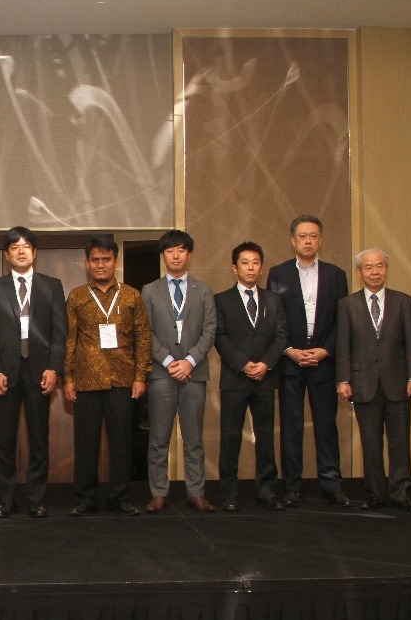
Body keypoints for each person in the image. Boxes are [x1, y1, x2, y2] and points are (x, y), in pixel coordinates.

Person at [0, 227, 67, 519]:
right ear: (7, 254)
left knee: (39, 439)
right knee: (5, 440)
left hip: (40, 372)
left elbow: (59, 332)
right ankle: (6, 500)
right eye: (14, 246)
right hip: (5, 374)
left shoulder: (52, 286)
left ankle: (36, 499)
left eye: (26, 245)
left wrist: (54, 368)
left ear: (34, 252)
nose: (20, 250)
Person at [63, 234, 151, 517]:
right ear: (87, 263)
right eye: (95, 260)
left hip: (122, 380)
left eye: (106, 259)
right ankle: (84, 500)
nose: (100, 265)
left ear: (116, 261)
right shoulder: (77, 296)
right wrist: (68, 378)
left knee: (121, 445)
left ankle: (120, 499)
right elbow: (70, 340)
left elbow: (143, 339)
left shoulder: (132, 295)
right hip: (86, 381)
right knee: (86, 445)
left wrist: (140, 376)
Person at [266, 215, 351, 508]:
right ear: (293, 241)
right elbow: (274, 319)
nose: (308, 241)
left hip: (323, 362)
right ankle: (292, 487)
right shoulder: (278, 273)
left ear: (321, 240)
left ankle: (332, 485)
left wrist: (326, 350)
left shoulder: (336, 275)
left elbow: (342, 320)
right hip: (290, 362)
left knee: (326, 426)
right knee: (291, 428)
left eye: (313, 236)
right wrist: (288, 349)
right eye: (302, 236)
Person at [336, 248, 411, 512]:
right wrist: (343, 380)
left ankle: (401, 493)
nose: (375, 272)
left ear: (386, 269)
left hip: (398, 382)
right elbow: (343, 346)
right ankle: (374, 493)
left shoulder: (403, 301)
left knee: (400, 442)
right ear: (359, 272)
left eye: (380, 266)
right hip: (363, 383)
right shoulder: (347, 305)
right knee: (371, 443)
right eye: (369, 267)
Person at [141, 229, 217, 514]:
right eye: (170, 251)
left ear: (189, 254)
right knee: (158, 438)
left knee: (194, 438)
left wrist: (190, 361)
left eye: (181, 250)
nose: (176, 255)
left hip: (194, 374)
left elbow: (210, 330)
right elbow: (145, 332)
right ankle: (158, 493)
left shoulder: (203, 290)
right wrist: (170, 361)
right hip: (162, 373)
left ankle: (196, 492)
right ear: (163, 256)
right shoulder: (150, 290)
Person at [214, 242, 287, 511]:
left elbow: (281, 336)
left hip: (265, 379)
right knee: (230, 436)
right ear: (235, 268)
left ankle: (267, 492)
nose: (251, 268)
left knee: (266, 437)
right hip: (235, 378)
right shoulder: (221, 300)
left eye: (255, 263)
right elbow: (219, 337)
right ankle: (229, 495)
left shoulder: (273, 299)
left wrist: (266, 364)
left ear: (262, 267)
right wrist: (243, 364)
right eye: (245, 263)